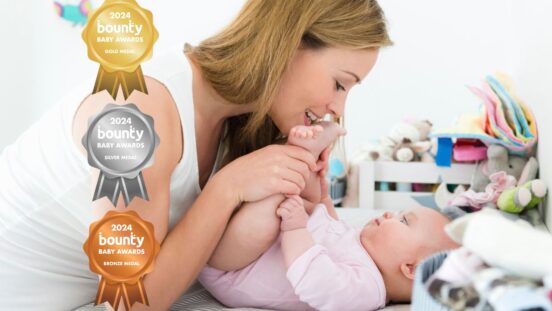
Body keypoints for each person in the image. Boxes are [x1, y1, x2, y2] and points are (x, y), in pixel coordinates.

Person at [0, 0, 392, 310]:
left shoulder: (238, 121)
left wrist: (309, 187)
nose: (337, 108)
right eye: (340, 84)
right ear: (287, 44)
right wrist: (227, 188)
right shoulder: (138, 112)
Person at [199, 122, 459, 310]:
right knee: (309, 199)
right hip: (257, 247)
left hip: (233, 269)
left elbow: (316, 280)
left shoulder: (368, 291)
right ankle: (306, 155)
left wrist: (295, 229)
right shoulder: (364, 247)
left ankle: (299, 154)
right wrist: (322, 196)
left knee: (281, 191)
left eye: (403, 221)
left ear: (411, 268)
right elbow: (331, 228)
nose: (390, 214)